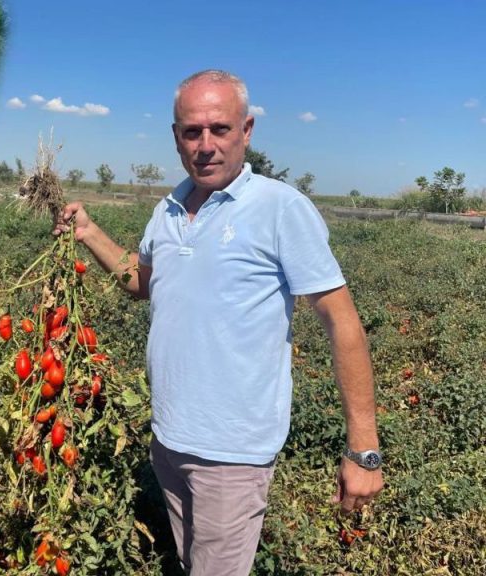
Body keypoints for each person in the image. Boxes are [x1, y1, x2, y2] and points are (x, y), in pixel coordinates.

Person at [54, 70, 383, 575]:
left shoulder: (280, 208)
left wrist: (363, 449)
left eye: (220, 129)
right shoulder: (167, 209)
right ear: (176, 137)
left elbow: (342, 322)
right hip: (168, 439)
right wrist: (90, 232)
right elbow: (144, 282)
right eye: (192, 131)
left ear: (246, 130)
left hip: (232, 453)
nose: (205, 145)